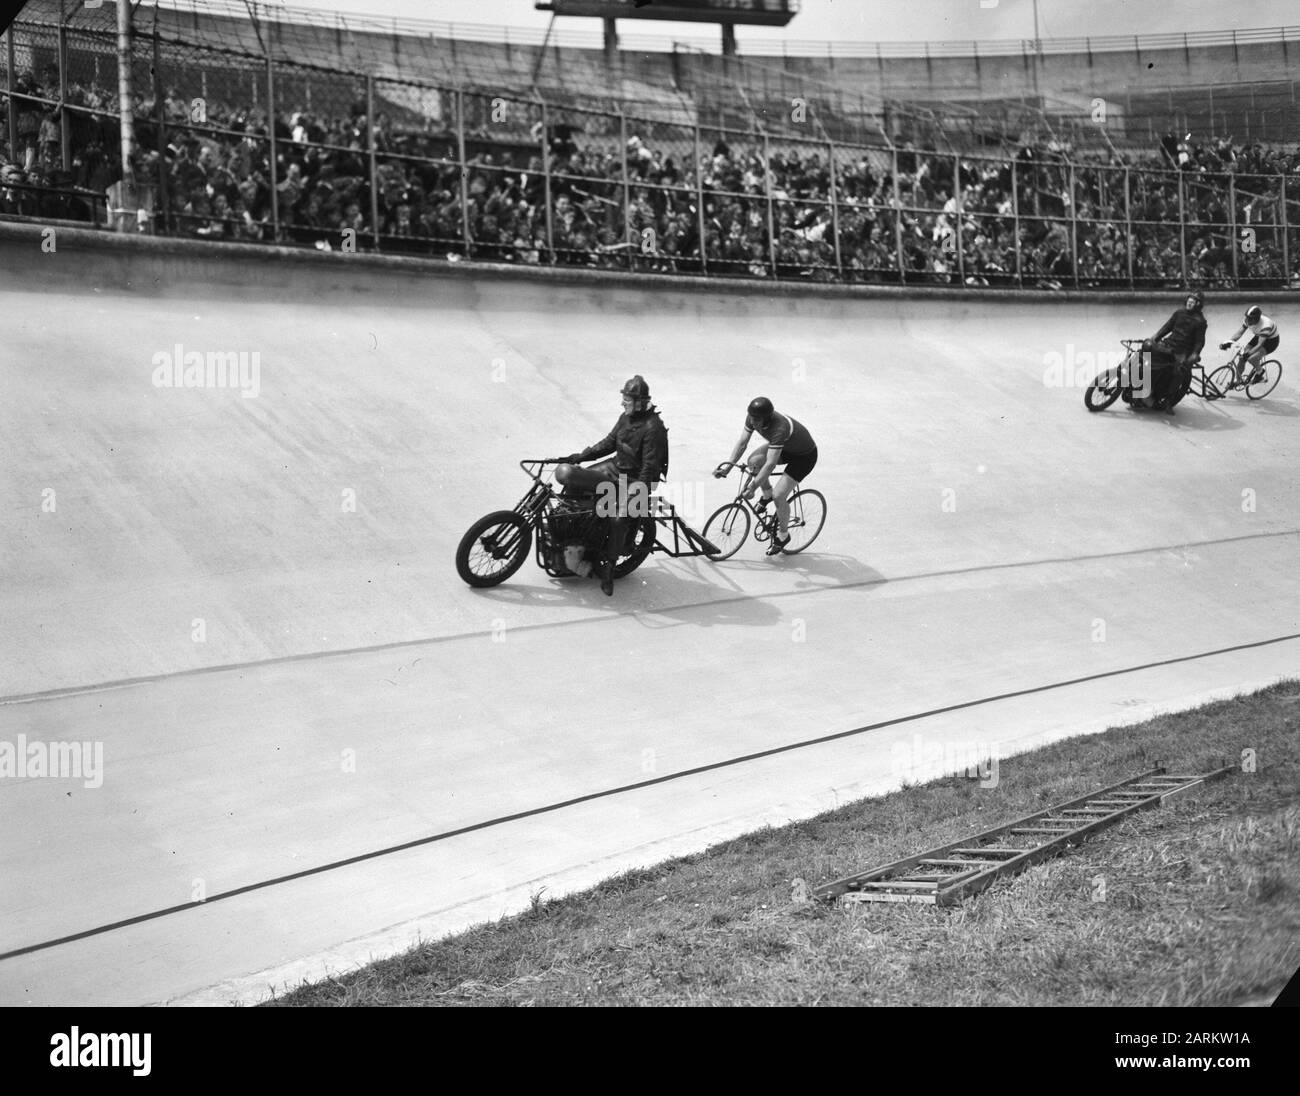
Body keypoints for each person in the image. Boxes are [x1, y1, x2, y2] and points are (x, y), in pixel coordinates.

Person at [555, 375, 669, 596]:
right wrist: (581, 457)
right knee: (574, 484)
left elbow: (649, 467)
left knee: (618, 519)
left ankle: (608, 567)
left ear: (638, 402)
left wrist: (637, 493)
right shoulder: (626, 417)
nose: (622, 403)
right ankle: (573, 538)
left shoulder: (653, 427)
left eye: (626, 399)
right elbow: (609, 443)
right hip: (616, 468)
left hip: (638, 478)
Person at [715, 397, 818, 555]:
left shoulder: (779, 428)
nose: (754, 423)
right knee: (754, 462)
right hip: (786, 448)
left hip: (804, 457)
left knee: (779, 496)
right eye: (752, 419)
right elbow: (742, 442)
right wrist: (728, 467)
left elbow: (770, 464)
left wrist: (752, 487)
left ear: (767, 418)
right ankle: (766, 493)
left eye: (757, 420)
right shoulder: (753, 416)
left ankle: (783, 536)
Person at [1137, 290, 1207, 411]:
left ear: (1198, 304)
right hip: (1168, 344)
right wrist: (1155, 337)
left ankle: (1168, 400)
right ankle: (1143, 382)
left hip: (1182, 351)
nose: (1190, 303)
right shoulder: (1179, 313)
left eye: (1193, 302)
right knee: (1146, 349)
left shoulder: (1200, 321)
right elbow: (1167, 327)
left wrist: (1194, 354)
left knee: (1179, 370)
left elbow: (1200, 342)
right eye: (1189, 301)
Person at [1219, 305, 1279, 383]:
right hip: (1259, 336)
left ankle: (1260, 372)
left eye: (1250, 319)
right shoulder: (1248, 320)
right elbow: (1240, 333)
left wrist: (1248, 354)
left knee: (1251, 358)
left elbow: (1259, 345)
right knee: (1242, 357)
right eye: (1247, 317)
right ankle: (1238, 380)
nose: (1247, 320)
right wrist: (1228, 342)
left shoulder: (1266, 325)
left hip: (1271, 342)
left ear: (1256, 318)